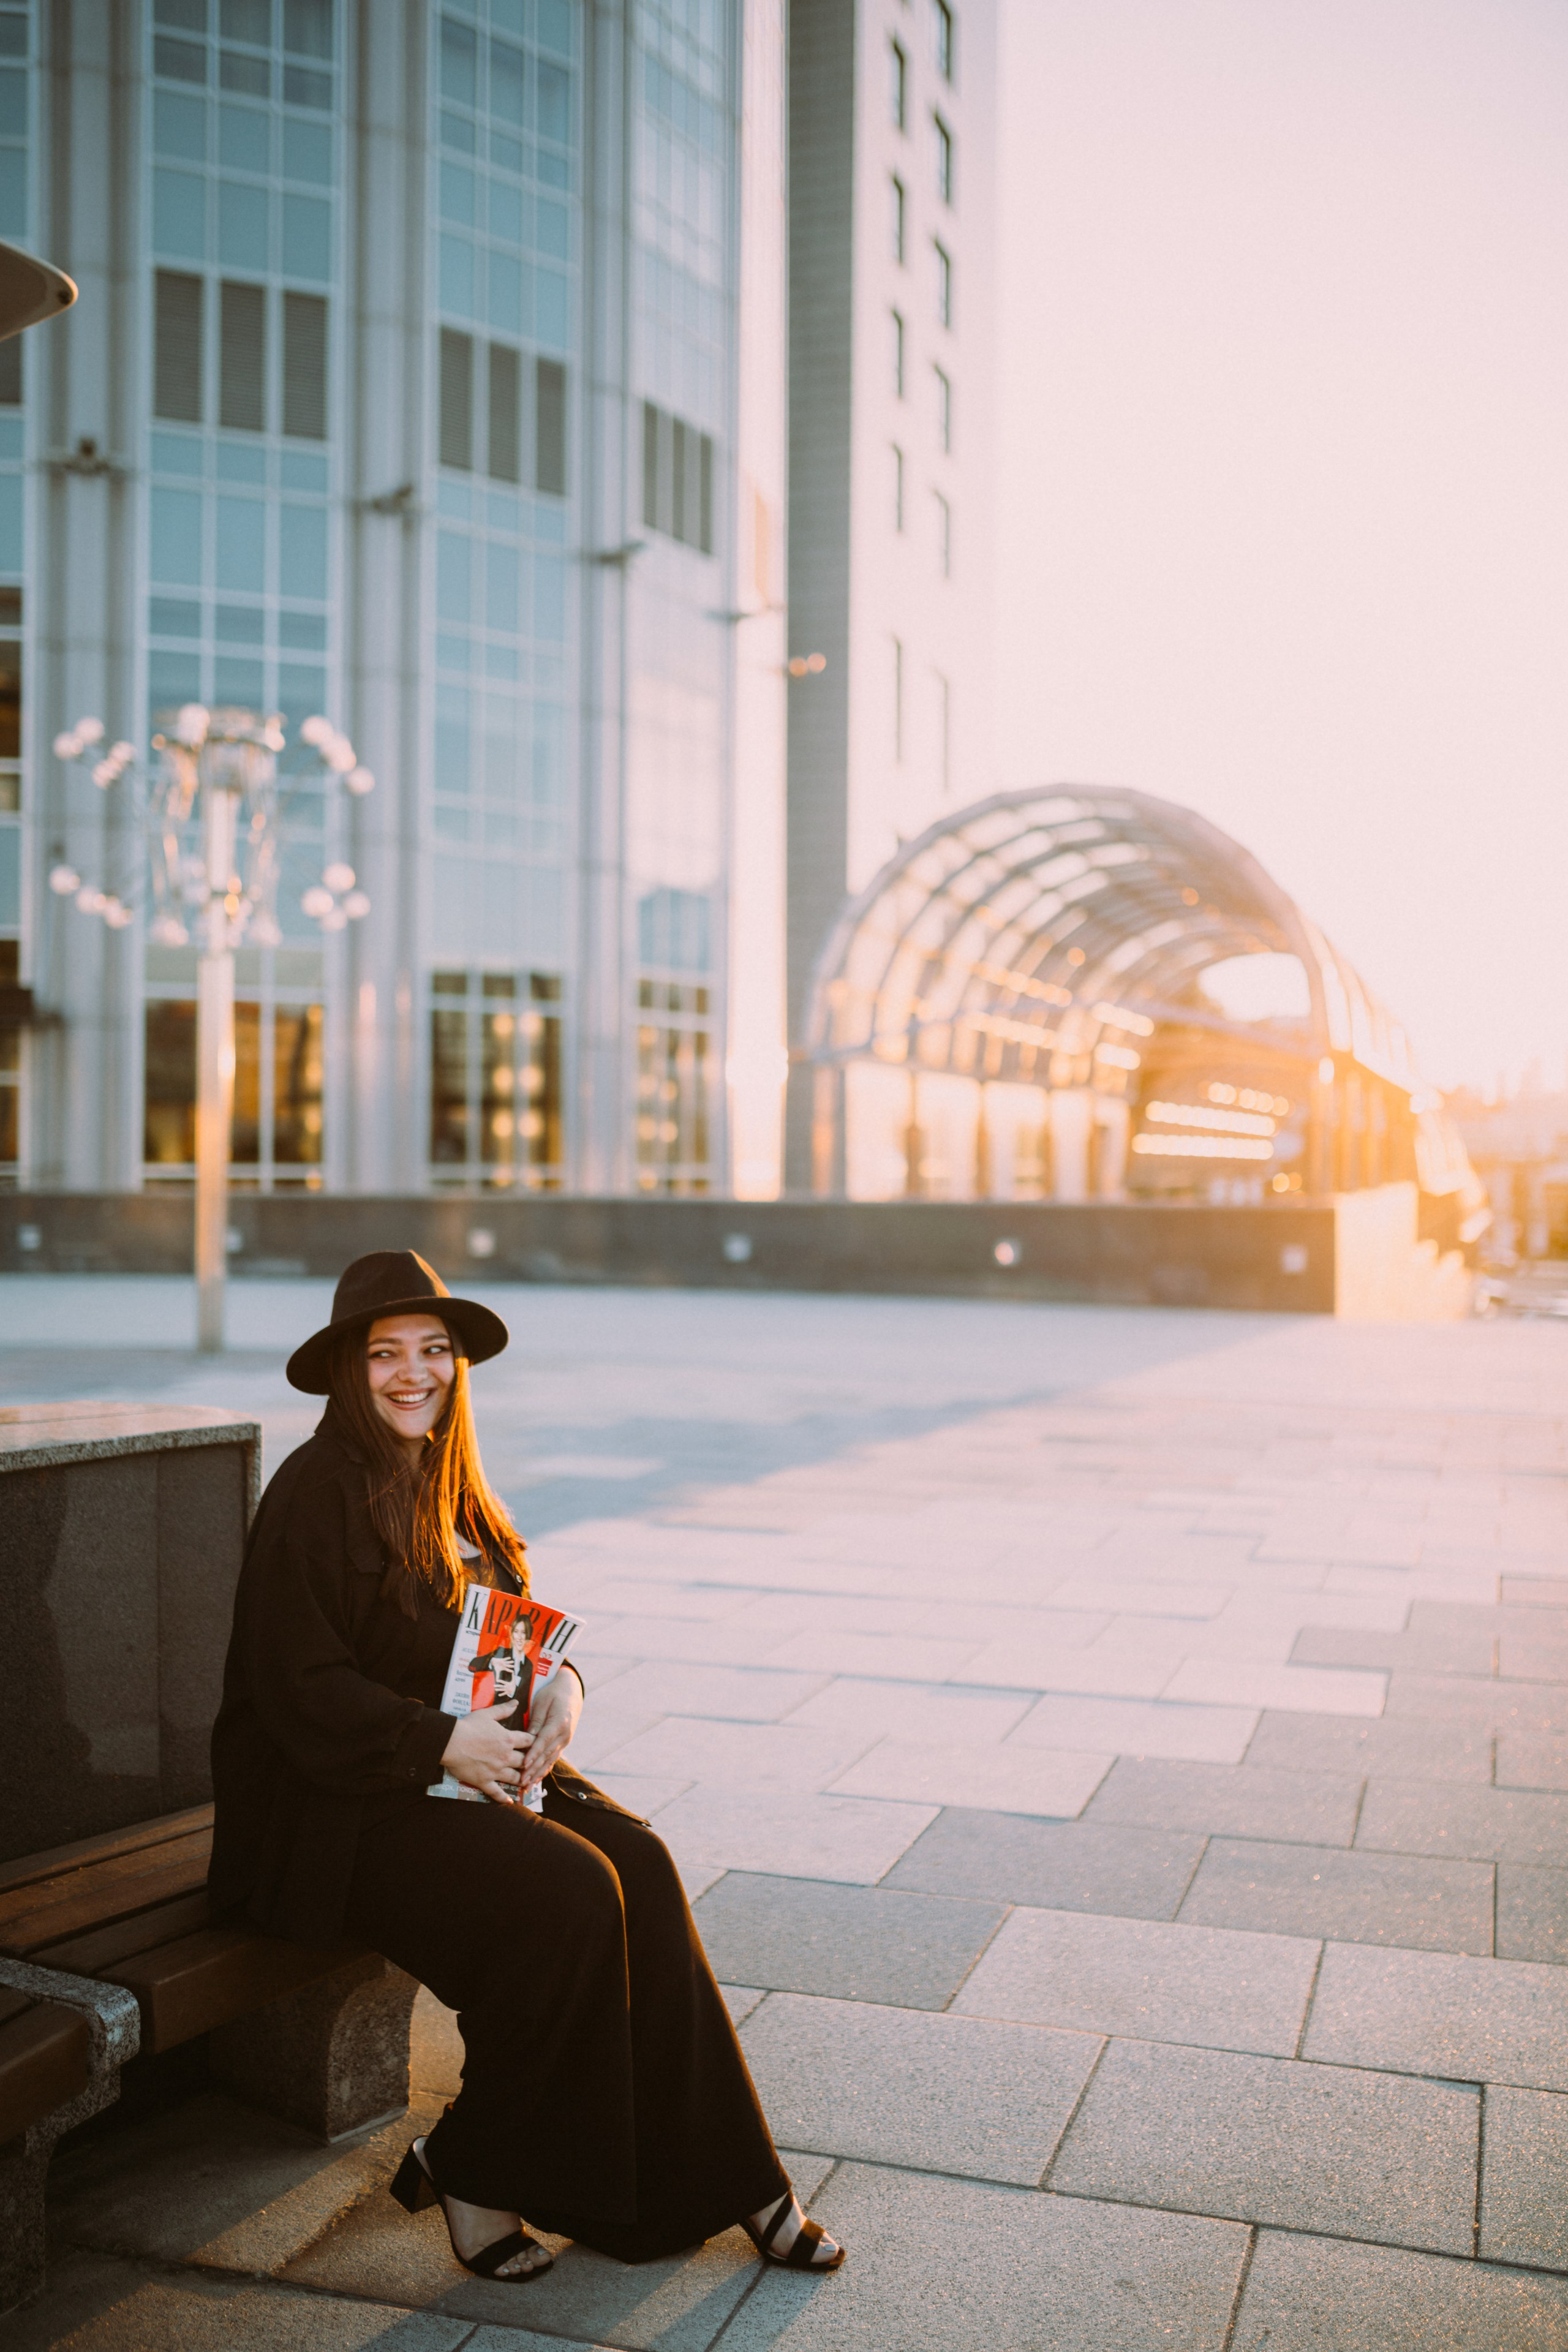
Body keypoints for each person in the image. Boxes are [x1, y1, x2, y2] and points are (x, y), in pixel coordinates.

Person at [209, 1250, 844, 2285]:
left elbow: (502, 1643)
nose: (414, 1374)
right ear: (347, 1370)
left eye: (435, 1352)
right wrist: (437, 1741)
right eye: (386, 1354)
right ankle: (474, 2169)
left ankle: (745, 2179)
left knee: (638, 1860)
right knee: (569, 1894)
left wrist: (564, 1688)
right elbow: (297, 1688)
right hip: (332, 1817)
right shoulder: (313, 1491)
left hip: (450, 1777)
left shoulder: (450, 1483)